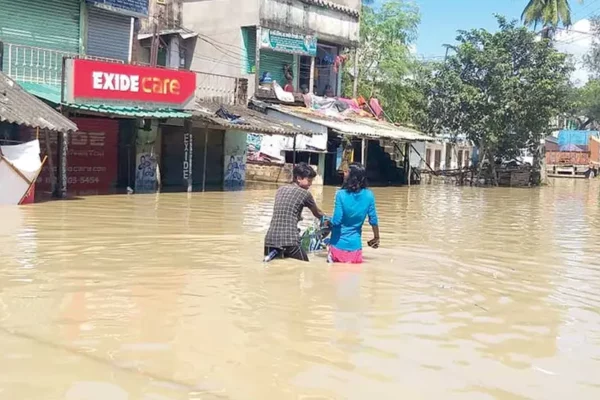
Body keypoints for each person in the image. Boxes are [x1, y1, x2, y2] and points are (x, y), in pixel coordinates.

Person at [264, 162, 325, 261]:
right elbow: (317, 213)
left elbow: (286, 210)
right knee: (305, 265)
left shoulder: (280, 190)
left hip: (270, 239)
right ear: (298, 178)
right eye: (309, 181)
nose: (310, 184)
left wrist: (298, 217)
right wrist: (328, 220)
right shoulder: (305, 193)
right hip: (289, 240)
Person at [328, 162, 379, 263]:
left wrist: (326, 221)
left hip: (337, 247)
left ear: (353, 177)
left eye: (347, 172)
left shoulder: (340, 194)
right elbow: (373, 220)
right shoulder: (369, 195)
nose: (344, 173)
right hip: (356, 251)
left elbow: (336, 221)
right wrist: (376, 237)